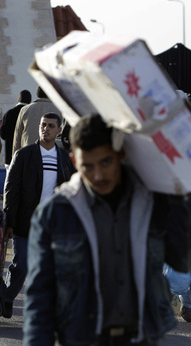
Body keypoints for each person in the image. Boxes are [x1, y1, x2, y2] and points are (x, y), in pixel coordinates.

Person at [24, 113, 191, 345]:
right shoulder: (56, 214)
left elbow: (181, 259)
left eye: (106, 162)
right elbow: (40, 298)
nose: (98, 175)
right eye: (87, 166)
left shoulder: (148, 202)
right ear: (74, 161)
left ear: (120, 155)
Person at [2, 112, 75, 318]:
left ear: (59, 130)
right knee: (22, 265)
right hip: (26, 221)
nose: (46, 129)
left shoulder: (64, 160)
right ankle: (6, 298)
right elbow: (11, 190)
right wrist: (9, 221)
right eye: (43, 125)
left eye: (51, 126)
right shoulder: (24, 155)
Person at [12, 87, 61, 156]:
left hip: (28, 155)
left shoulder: (25, 110)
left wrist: (14, 157)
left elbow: (17, 137)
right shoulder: (59, 110)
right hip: (51, 154)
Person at [0, 89, 32, 167]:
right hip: (27, 156)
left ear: (18, 99)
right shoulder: (31, 114)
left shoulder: (9, 113)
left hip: (10, 156)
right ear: (30, 101)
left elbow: (3, 134)